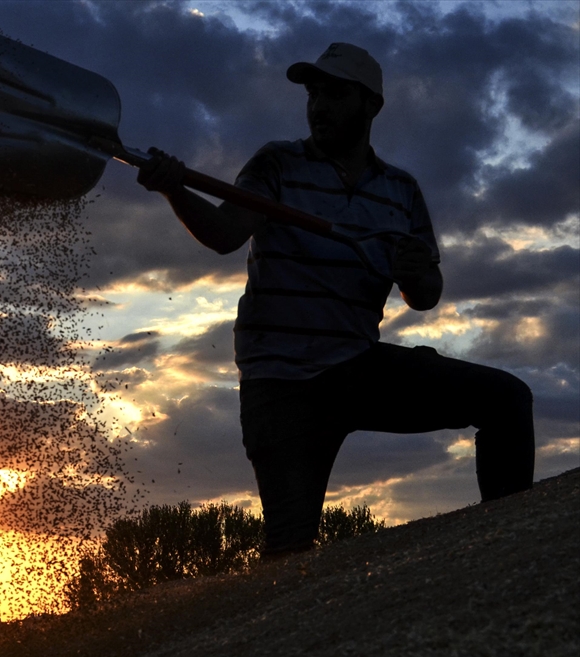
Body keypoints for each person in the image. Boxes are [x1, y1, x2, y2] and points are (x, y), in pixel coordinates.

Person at [137, 42, 535, 558]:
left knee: (506, 399)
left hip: (357, 366)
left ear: (371, 104)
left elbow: (425, 294)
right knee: (290, 551)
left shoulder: (400, 190)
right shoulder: (277, 163)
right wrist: (174, 190)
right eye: (313, 94)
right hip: (281, 381)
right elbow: (224, 233)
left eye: (334, 94)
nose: (318, 106)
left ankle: (507, 553)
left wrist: (415, 275)